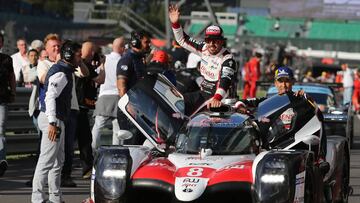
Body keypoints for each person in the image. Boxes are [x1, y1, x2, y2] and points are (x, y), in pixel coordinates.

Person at [231, 66, 327, 161]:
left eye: (287, 81)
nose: (284, 85)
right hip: (271, 152)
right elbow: (242, 102)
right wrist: (241, 106)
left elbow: (319, 119)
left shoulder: (301, 100)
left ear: (293, 82)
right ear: (275, 83)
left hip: (296, 152)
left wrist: (308, 98)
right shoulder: (268, 102)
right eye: (280, 81)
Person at [31, 40, 82, 203]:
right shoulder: (61, 72)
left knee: (58, 160)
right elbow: (50, 96)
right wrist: (53, 123)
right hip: (52, 119)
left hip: (56, 118)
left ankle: (55, 196)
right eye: (78, 54)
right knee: (46, 160)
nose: (80, 58)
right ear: (69, 55)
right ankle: (37, 198)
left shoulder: (65, 70)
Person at [168, 4, 237, 115]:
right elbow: (183, 40)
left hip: (219, 99)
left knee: (188, 115)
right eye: (209, 40)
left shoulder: (228, 59)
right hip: (202, 93)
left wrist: (217, 98)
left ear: (222, 41)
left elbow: (225, 81)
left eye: (216, 40)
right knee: (175, 101)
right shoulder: (204, 48)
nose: (212, 44)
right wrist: (175, 23)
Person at [75, 41, 105, 179]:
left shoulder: (81, 64)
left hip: (79, 106)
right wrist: (103, 66)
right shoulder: (84, 65)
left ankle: (84, 168)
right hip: (80, 107)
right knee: (85, 139)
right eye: (92, 51)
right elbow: (100, 79)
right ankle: (86, 168)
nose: (93, 54)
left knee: (82, 139)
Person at [116, 30, 151, 145]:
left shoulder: (139, 60)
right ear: (136, 43)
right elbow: (121, 86)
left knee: (140, 146)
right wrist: (128, 106)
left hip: (140, 109)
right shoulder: (127, 59)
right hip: (130, 111)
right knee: (132, 146)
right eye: (146, 42)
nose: (149, 45)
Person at [92, 37, 125, 150]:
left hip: (104, 96)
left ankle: (92, 150)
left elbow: (96, 75)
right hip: (118, 97)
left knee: (98, 127)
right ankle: (117, 152)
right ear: (122, 48)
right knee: (118, 130)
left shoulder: (104, 59)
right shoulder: (123, 61)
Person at [0, 33, 16, 177]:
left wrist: (14, 92)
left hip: (2, 100)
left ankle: (1, 160)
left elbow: (12, 77)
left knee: (0, 131)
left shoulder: (7, 59)